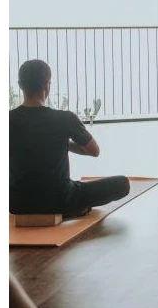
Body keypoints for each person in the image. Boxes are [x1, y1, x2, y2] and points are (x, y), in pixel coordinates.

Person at [10, 59, 130, 217]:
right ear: (47, 84)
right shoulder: (64, 118)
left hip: (17, 204)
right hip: (61, 200)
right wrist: (63, 142)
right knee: (122, 183)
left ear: (20, 85)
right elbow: (94, 151)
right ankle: (77, 207)